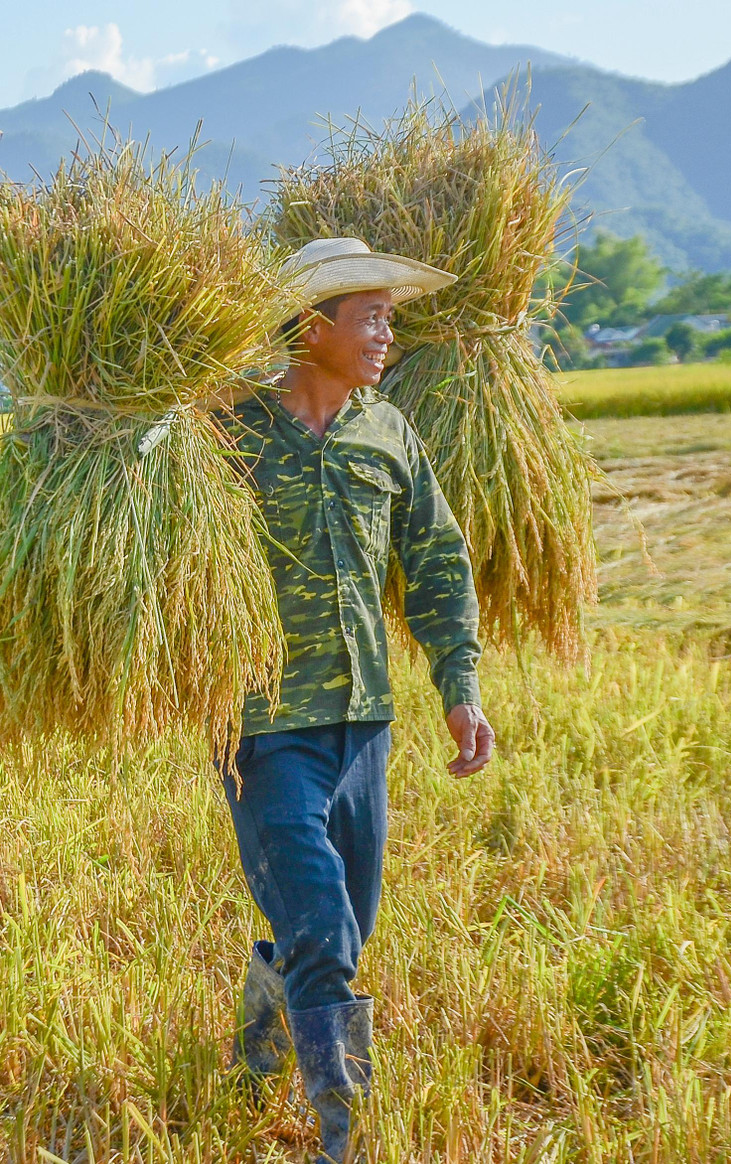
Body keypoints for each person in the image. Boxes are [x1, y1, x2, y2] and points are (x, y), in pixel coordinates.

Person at [223, 237, 495, 1163]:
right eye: (369, 314)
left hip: (363, 721)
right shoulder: (229, 434)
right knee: (325, 927)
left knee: (344, 924)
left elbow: (437, 563)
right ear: (311, 326)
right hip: (262, 725)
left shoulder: (390, 433)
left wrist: (458, 686)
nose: (387, 331)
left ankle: (260, 1047)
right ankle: (349, 1135)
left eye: (390, 313)